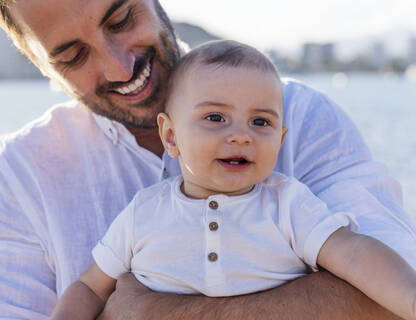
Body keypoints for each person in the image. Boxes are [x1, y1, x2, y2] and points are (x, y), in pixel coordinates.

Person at [0, 0, 416, 319]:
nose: (120, 67)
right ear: (41, 66)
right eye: (73, 56)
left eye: (120, 19)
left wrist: (153, 314)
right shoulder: (22, 174)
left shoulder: (301, 120)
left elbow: (392, 284)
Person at [49, 40, 416, 320]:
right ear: (172, 136)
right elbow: (90, 288)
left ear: (281, 140)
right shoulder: (144, 212)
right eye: (215, 117)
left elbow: (353, 254)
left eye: (261, 122)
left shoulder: (288, 204)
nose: (242, 135)